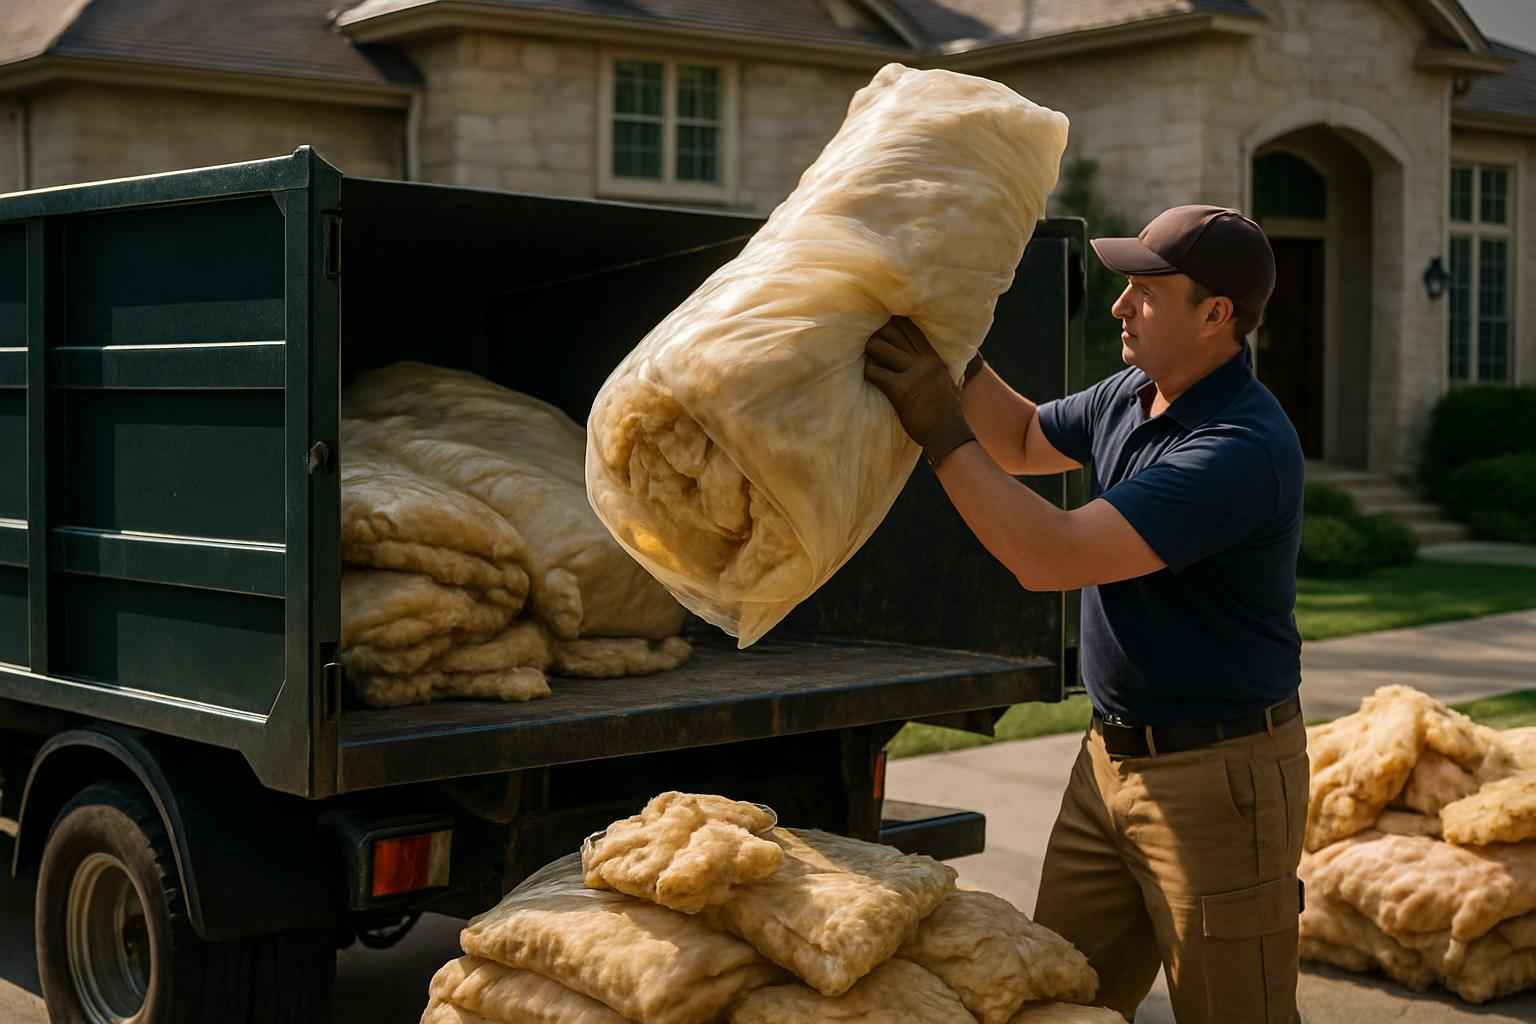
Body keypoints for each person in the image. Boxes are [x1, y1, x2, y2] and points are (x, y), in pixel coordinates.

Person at [864, 205, 1308, 1024]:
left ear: (1216, 316)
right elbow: (1025, 437)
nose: (1119, 306)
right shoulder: (1134, 394)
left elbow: (1054, 555)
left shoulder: (1238, 449)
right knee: (1059, 1000)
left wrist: (935, 428)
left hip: (1220, 784)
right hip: (1107, 765)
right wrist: (948, 340)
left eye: (1145, 290)